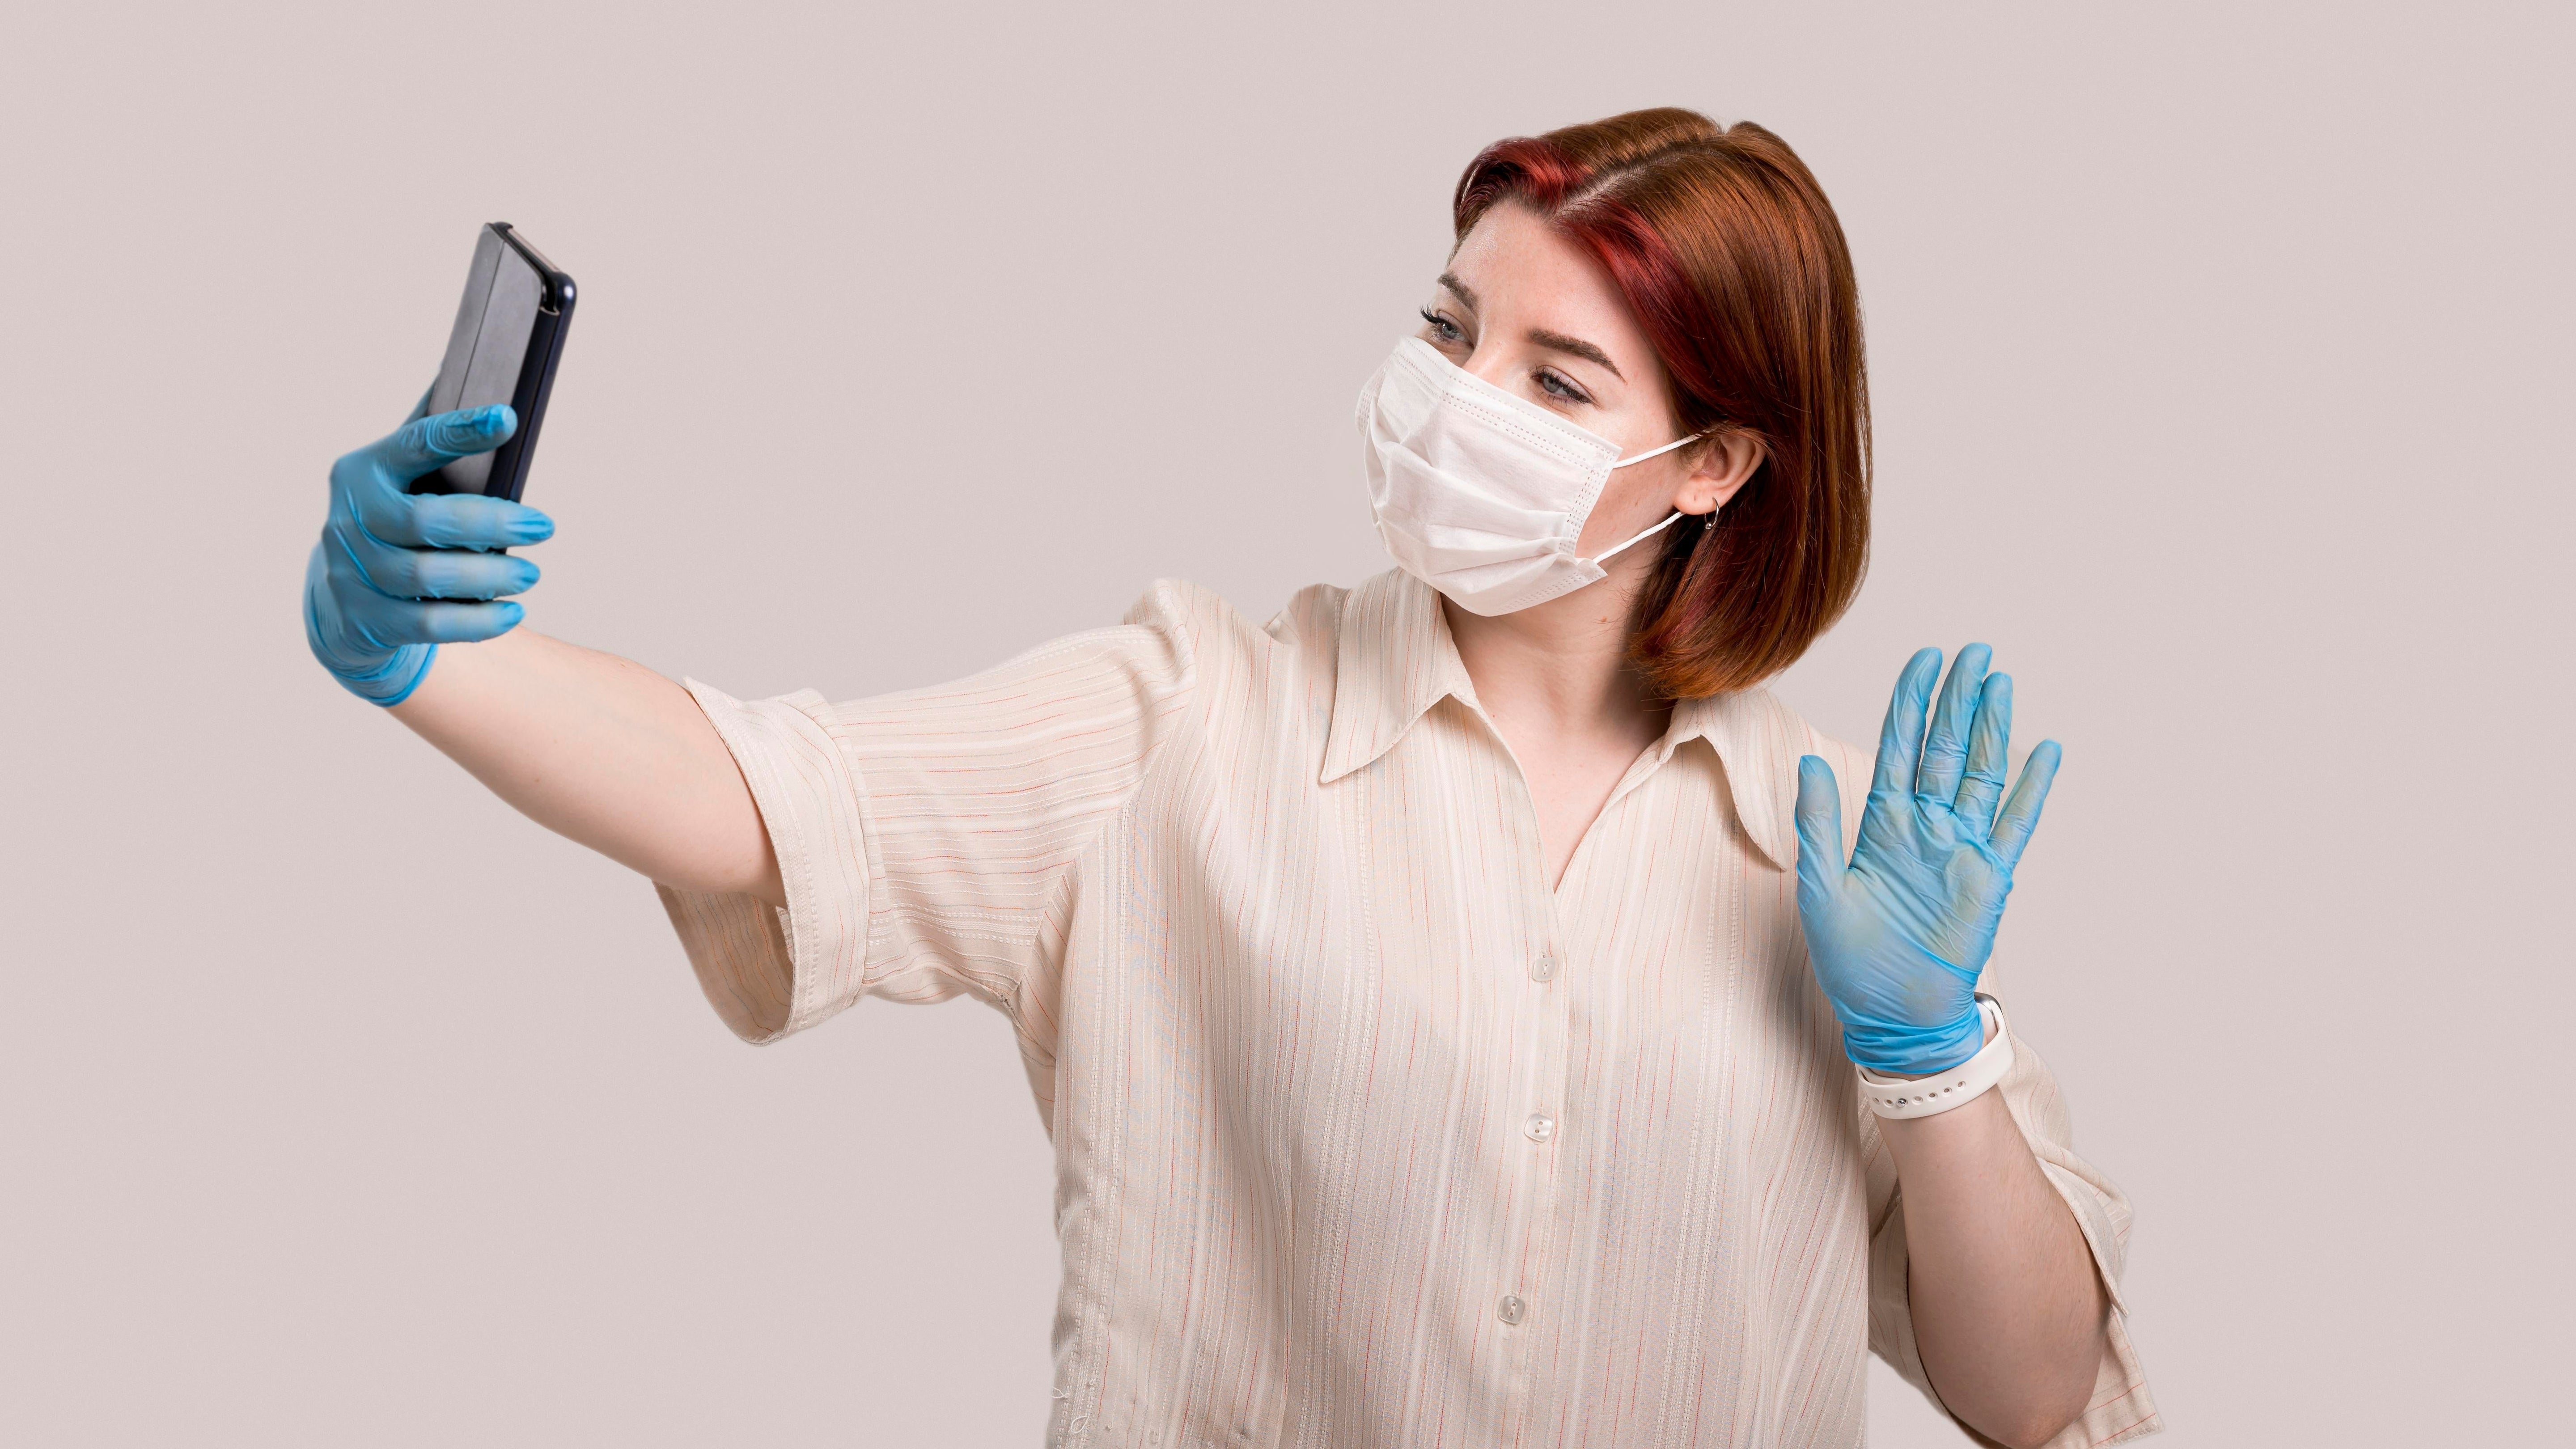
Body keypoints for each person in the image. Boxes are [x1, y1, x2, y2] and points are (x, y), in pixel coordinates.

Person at [303, 109, 2158, 1448]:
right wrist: (432, 656)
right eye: (1451, 332)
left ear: (1712, 468)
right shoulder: (1187, 722)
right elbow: (770, 797)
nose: (1459, 402)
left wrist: (1936, 1056)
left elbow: (2029, 1394)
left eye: (1557, 381)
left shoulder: (1842, 862)